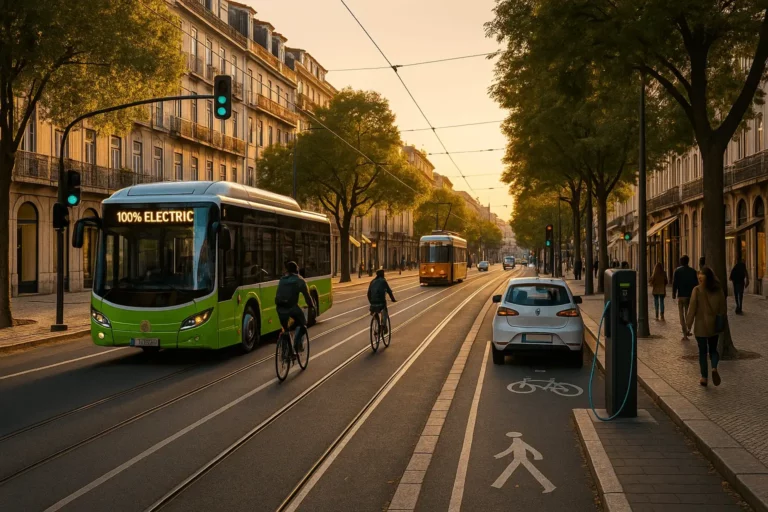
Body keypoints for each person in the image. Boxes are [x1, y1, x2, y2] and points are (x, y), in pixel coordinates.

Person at [686, 266, 726, 387]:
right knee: (713, 350)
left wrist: (688, 326)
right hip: (714, 326)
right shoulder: (718, 290)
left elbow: (692, 309)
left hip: (700, 326)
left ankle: (704, 377)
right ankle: (714, 367)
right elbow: (723, 309)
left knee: (702, 352)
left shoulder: (697, 290)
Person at [275, 261, 315, 352]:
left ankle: (285, 349)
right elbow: (307, 296)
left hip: (280, 308)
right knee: (303, 323)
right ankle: (296, 345)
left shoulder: (282, 279)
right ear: (297, 270)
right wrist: (311, 306)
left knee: (285, 329)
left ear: (287, 270)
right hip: (291, 307)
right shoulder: (300, 280)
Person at [672, 255, 698, 341]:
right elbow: (696, 284)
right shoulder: (693, 271)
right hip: (690, 296)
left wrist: (674, 293)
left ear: (681, 262)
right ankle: (688, 329)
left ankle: (684, 333)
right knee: (689, 314)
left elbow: (674, 283)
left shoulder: (677, 271)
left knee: (681, 314)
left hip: (681, 295)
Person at [368, 268, 397, 334]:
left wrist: (371, 302)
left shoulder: (372, 282)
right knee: (384, 310)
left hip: (373, 304)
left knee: (375, 311)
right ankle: (383, 326)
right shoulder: (383, 281)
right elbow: (389, 291)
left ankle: (377, 324)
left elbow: (368, 294)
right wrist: (393, 299)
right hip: (381, 303)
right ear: (382, 274)